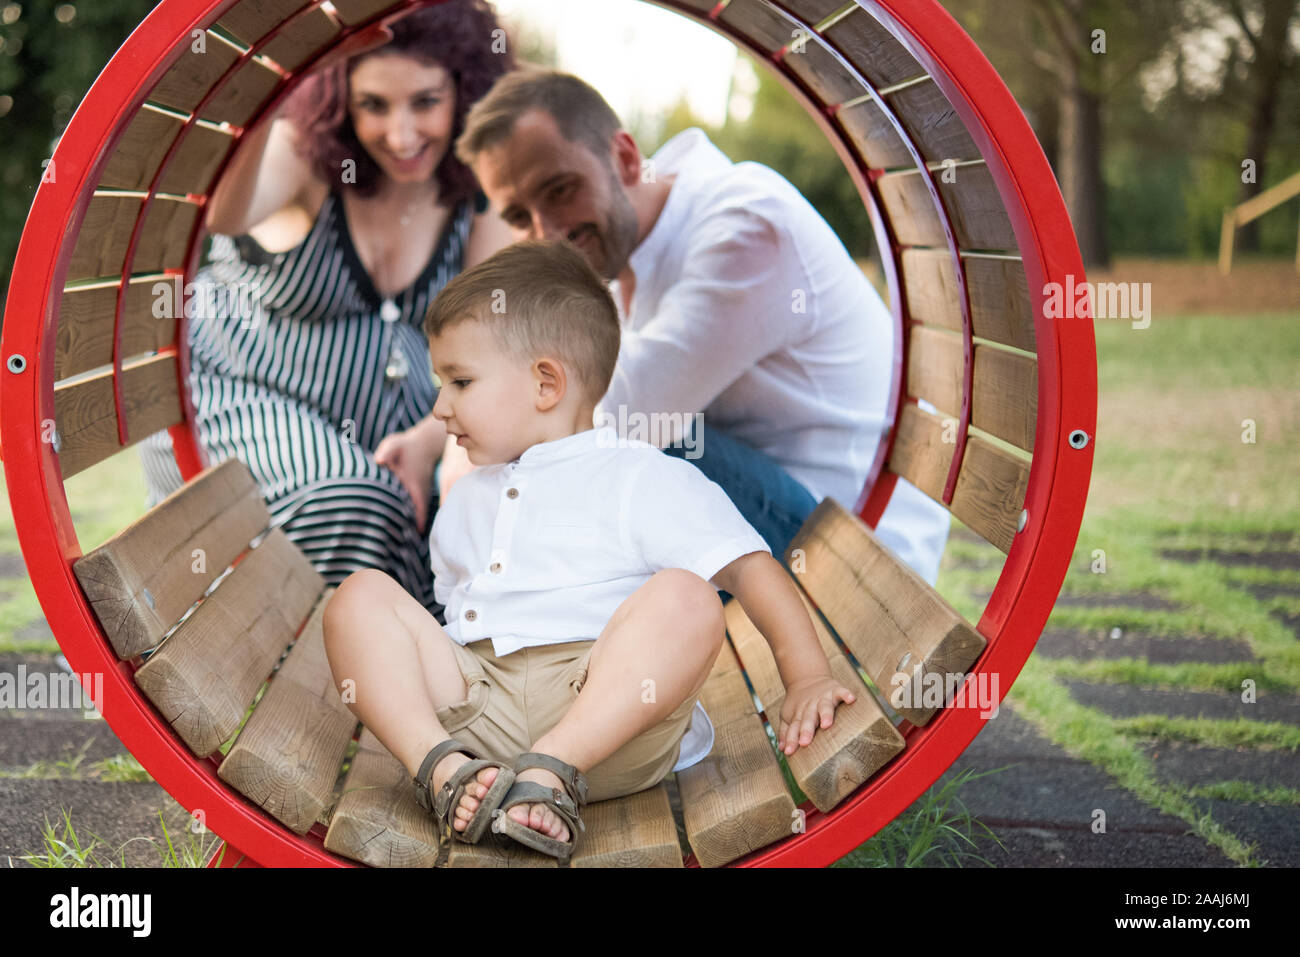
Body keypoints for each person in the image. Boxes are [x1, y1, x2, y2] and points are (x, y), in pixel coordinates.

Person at [322, 239, 856, 861]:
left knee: (688, 596)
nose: (440, 407)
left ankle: (554, 767)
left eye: (460, 381)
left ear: (546, 383)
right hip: (478, 709)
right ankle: (442, 770)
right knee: (359, 595)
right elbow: (452, 623)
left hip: (608, 722)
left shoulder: (640, 477)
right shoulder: (466, 498)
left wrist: (807, 677)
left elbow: (751, 570)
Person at [438, 67, 952, 583]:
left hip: (853, 548)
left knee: (639, 446)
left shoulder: (748, 226)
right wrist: (447, 440)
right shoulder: (619, 251)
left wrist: (468, 461)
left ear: (625, 158)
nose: (546, 233)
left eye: (560, 190)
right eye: (520, 218)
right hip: (774, 521)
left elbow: (614, 413)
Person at [139, 2, 516, 613]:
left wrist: (430, 440)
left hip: (389, 444)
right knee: (361, 503)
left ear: (466, 91)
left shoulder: (477, 194)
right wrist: (277, 82)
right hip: (238, 402)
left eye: (425, 101)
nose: (402, 135)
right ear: (340, 100)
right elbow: (223, 213)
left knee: (483, 506)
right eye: (374, 105)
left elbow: (494, 348)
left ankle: (439, 658)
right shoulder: (304, 156)